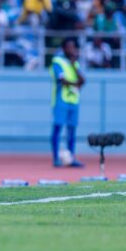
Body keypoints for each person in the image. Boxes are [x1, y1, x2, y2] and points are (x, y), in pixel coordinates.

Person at [50, 38, 86, 167]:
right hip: (61, 100)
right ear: (64, 48)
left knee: (72, 130)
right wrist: (76, 83)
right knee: (58, 128)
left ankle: (70, 158)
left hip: (73, 100)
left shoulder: (74, 63)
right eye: (69, 47)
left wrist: (73, 65)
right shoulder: (57, 62)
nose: (72, 50)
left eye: (74, 47)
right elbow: (63, 81)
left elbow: (83, 80)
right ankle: (56, 158)